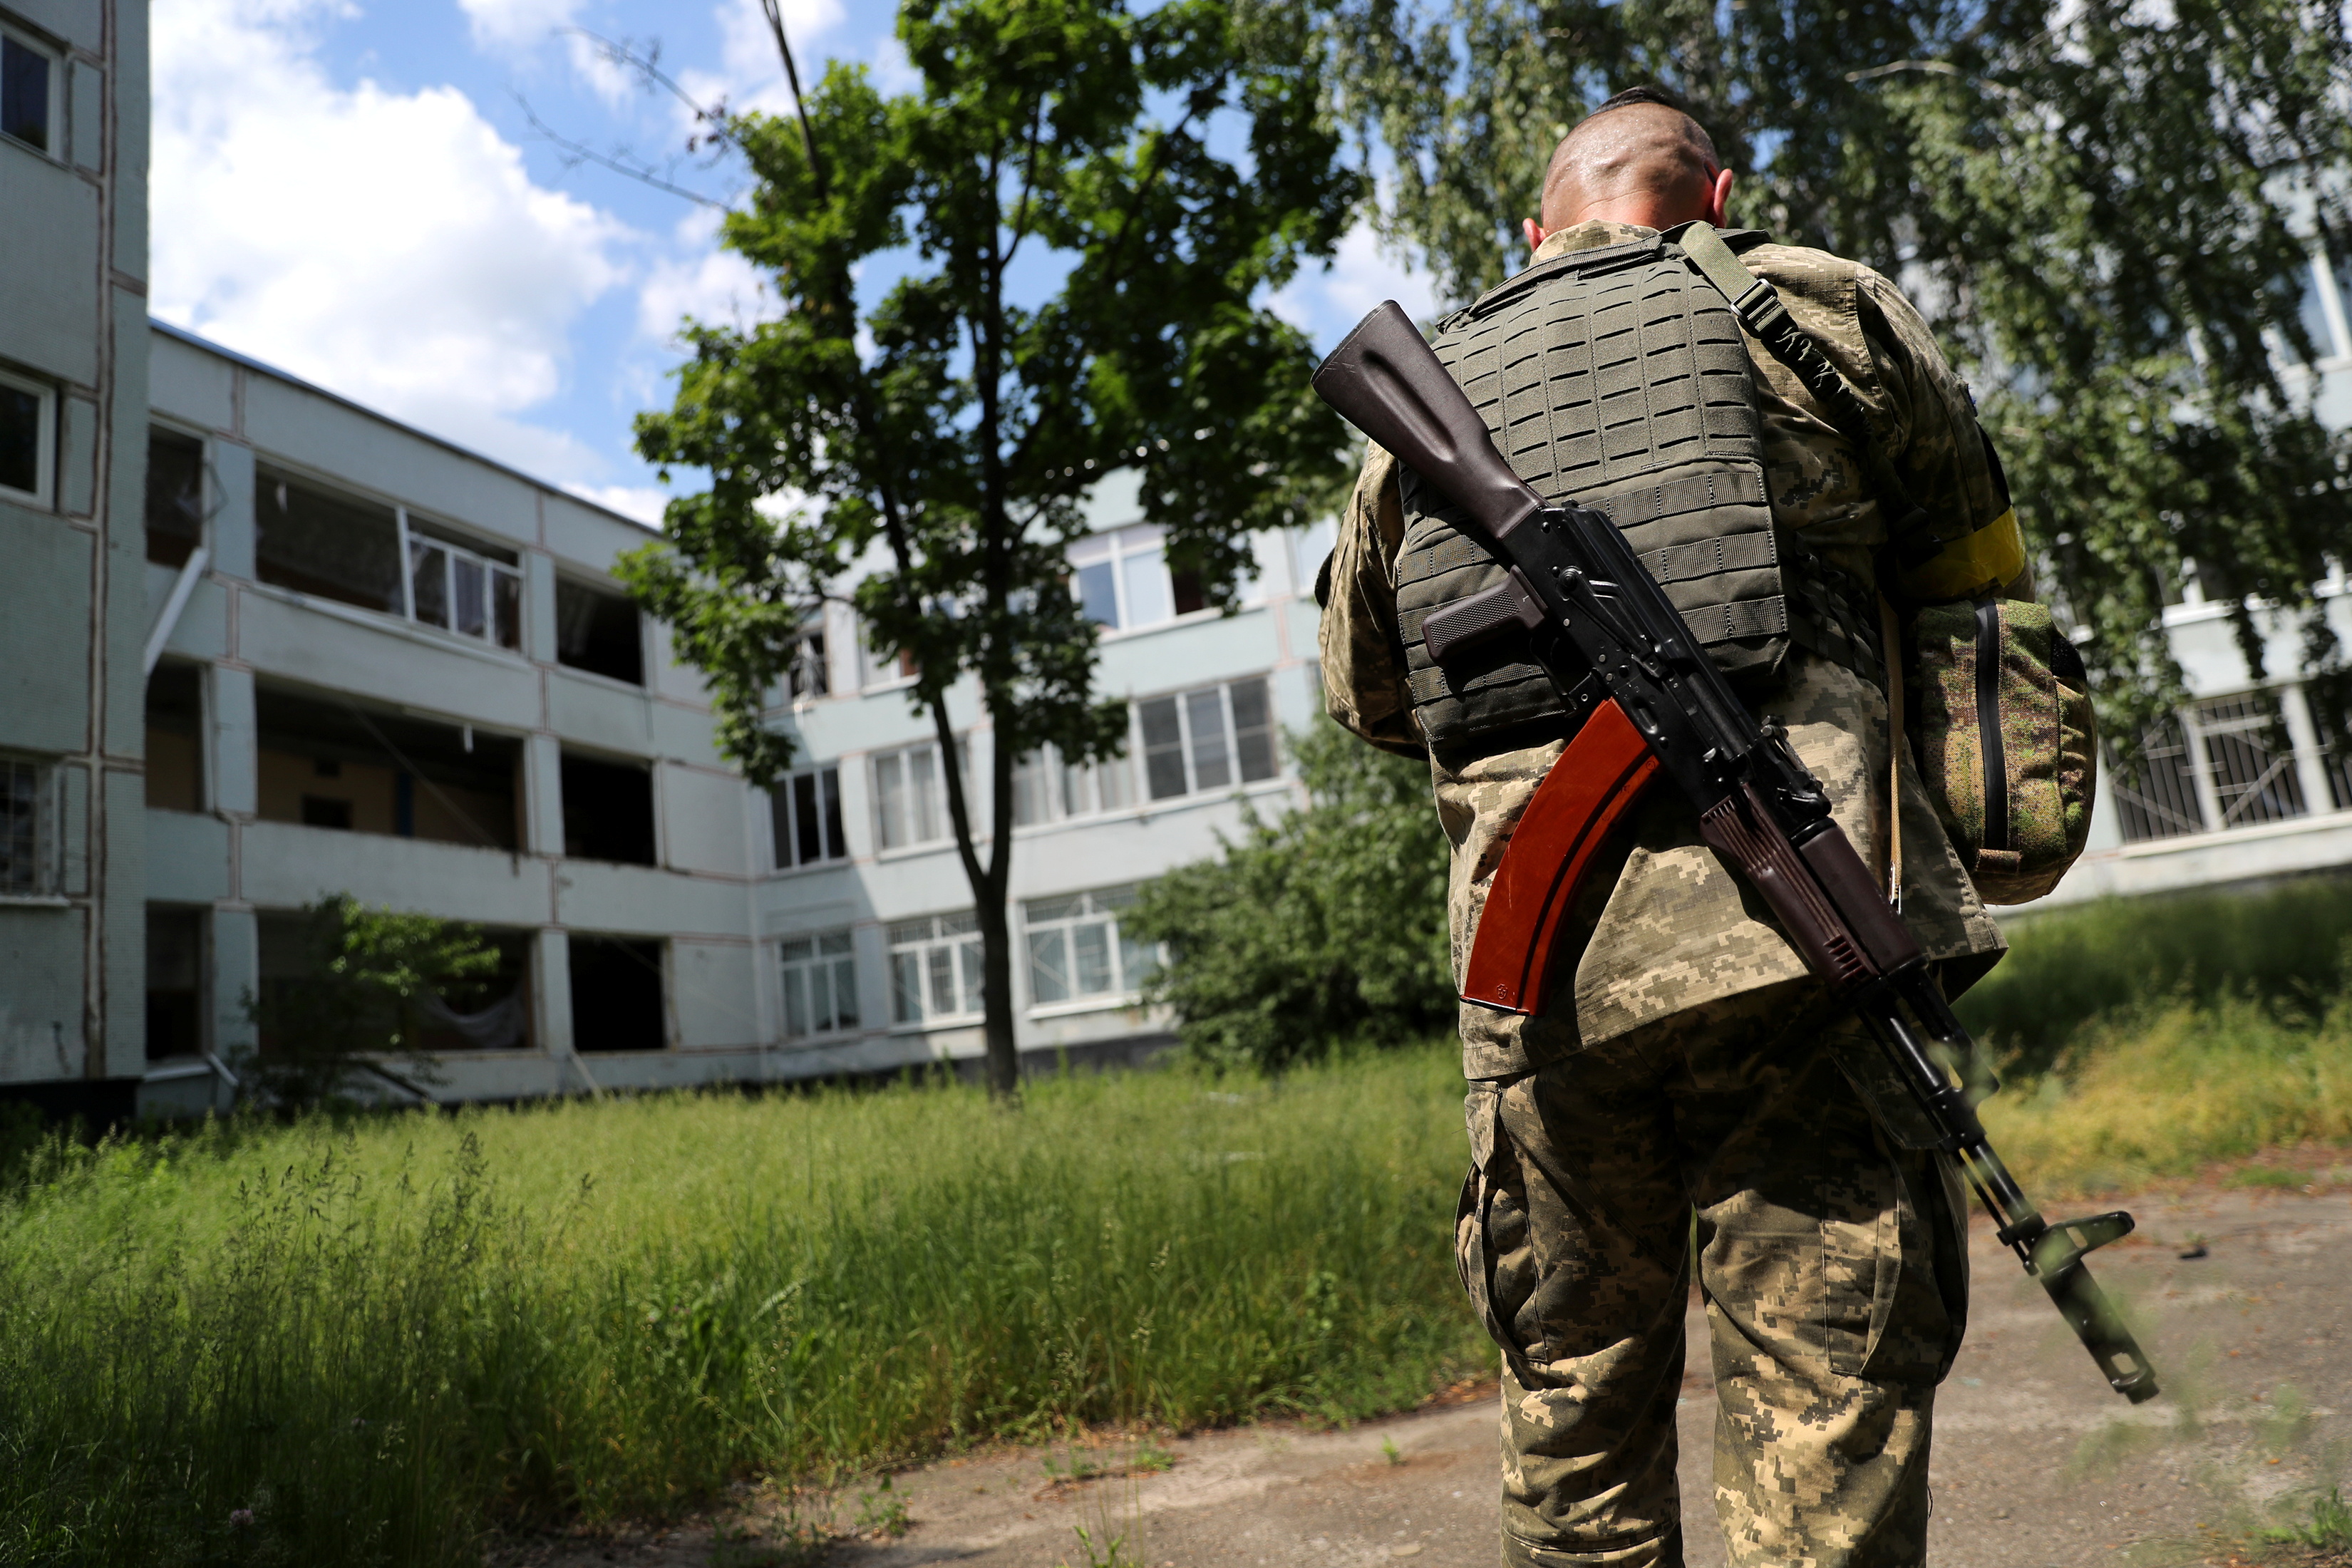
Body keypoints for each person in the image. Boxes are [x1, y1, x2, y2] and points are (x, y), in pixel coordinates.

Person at [1319, 88, 2029, 1568]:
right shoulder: (1818, 314)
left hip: (1543, 984)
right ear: (1713, 200)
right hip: (1800, 962)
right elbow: (1973, 585)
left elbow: (1373, 698)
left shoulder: (1424, 407)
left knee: (1574, 1411)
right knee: (1822, 1408)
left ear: (1536, 232)